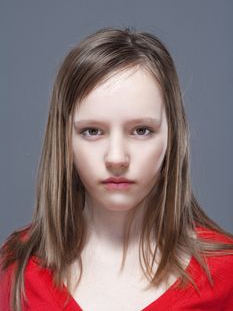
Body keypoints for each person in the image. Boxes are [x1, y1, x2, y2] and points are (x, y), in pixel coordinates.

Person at [0, 27, 233, 311]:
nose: (116, 158)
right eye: (92, 131)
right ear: (65, 140)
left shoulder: (226, 274)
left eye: (142, 130)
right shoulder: (17, 267)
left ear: (172, 136)